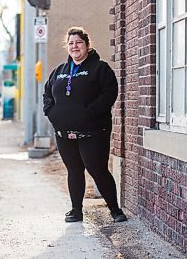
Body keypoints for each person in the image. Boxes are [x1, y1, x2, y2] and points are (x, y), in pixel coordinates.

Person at [43, 26, 127, 223]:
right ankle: (76, 210)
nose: (75, 46)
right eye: (71, 43)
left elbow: (109, 94)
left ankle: (115, 210)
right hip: (64, 133)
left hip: (94, 132)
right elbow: (47, 95)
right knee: (74, 171)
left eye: (79, 42)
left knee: (97, 169)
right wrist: (53, 114)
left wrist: (89, 113)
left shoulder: (100, 68)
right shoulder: (59, 72)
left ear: (88, 46)